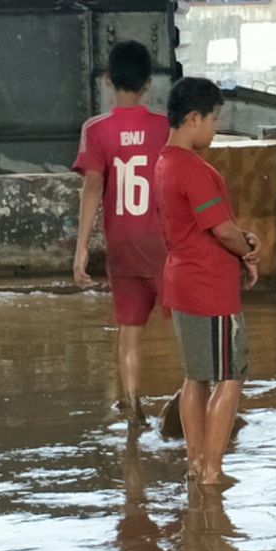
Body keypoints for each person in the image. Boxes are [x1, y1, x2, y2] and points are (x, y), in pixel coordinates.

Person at [154, 76, 259, 484]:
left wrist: (240, 240)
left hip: (181, 279)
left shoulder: (163, 163)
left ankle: (196, 462)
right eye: (213, 119)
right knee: (230, 375)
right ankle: (212, 469)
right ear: (193, 118)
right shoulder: (193, 169)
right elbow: (221, 230)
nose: (215, 128)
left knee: (196, 375)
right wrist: (247, 252)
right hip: (209, 286)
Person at [72, 40, 170, 428]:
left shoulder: (96, 129)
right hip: (164, 245)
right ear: (148, 83)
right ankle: (196, 398)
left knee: (129, 331)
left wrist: (81, 249)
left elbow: (92, 190)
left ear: (108, 81)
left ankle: (133, 409)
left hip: (122, 245)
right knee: (187, 323)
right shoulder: (165, 127)